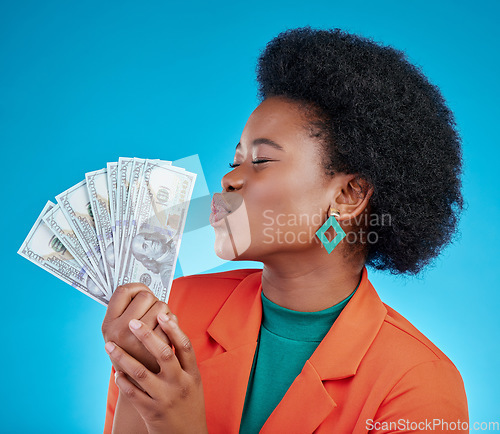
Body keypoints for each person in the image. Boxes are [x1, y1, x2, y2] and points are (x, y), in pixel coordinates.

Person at [101, 26, 468, 433]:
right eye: (234, 160)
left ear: (348, 195)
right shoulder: (172, 313)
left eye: (261, 161)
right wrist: (135, 371)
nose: (229, 180)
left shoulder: (418, 382)